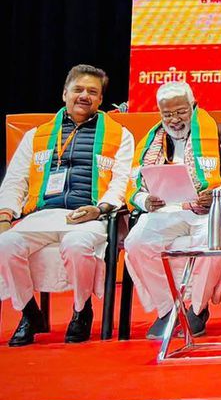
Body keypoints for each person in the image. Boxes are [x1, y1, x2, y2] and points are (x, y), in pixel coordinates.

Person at [0, 65, 134, 346]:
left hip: (89, 216)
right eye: (78, 89)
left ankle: (81, 311)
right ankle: (29, 313)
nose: (84, 96)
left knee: (77, 245)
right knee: (5, 243)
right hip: (43, 214)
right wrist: (5, 215)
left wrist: (101, 209)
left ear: (100, 100)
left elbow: (121, 182)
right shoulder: (36, 135)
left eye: (92, 92)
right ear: (65, 94)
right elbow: (15, 181)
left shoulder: (120, 135)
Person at [123, 82, 221, 338]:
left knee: (212, 241)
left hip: (209, 210)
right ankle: (169, 310)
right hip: (166, 211)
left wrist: (217, 194)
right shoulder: (151, 141)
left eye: (181, 112)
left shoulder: (220, 132)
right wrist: (145, 200)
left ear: (193, 106)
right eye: (167, 114)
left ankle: (197, 308)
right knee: (136, 243)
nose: (174, 120)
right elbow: (134, 185)